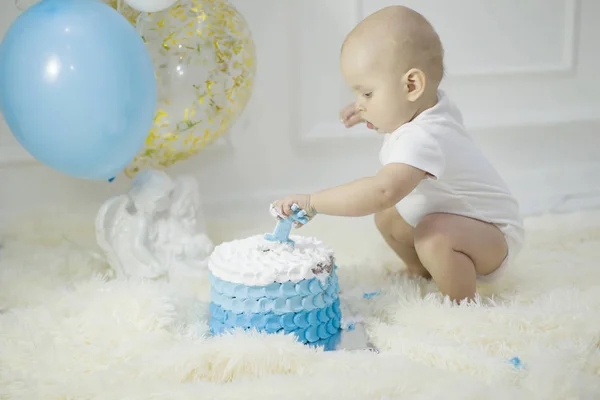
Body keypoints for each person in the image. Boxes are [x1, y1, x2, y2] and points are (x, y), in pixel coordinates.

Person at [270, 5, 524, 302]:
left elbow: (382, 190)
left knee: (432, 234)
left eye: (367, 93)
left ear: (412, 85)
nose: (360, 102)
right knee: (389, 217)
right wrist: (369, 107)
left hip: (493, 237)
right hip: (465, 223)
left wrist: (314, 202)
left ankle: (461, 303)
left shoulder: (424, 136)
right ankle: (422, 272)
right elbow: (399, 109)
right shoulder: (428, 106)